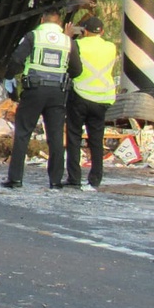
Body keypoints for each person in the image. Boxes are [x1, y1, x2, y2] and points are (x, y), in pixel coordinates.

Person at [1, 7, 83, 189]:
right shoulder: (68, 41)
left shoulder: (33, 37)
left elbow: (16, 60)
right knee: (55, 136)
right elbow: (77, 70)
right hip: (57, 93)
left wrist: (9, 77)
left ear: (42, 21)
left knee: (23, 133)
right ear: (59, 23)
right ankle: (55, 181)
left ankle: (15, 179)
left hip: (34, 90)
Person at [66, 15, 117, 189]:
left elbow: (71, 61)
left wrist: (71, 36)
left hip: (80, 95)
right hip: (103, 98)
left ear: (84, 31)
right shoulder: (111, 47)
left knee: (74, 136)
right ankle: (95, 178)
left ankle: (74, 178)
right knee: (96, 139)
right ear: (102, 31)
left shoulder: (78, 44)